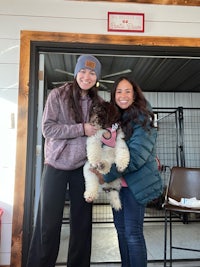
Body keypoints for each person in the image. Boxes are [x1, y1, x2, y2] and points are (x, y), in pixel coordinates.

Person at [26, 54, 103, 267]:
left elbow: (106, 132)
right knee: (48, 224)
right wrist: (81, 129)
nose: (86, 76)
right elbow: (47, 128)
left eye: (92, 73)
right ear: (76, 72)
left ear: (96, 78)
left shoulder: (98, 102)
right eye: (83, 71)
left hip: (83, 168)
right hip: (55, 165)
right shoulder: (58, 95)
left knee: (82, 225)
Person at [92, 76, 163, 267]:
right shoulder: (115, 119)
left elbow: (137, 157)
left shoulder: (144, 118)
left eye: (127, 91)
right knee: (122, 232)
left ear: (135, 95)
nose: (123, 96)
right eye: (119, 92)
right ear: (114, 95)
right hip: (117, 186)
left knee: (133, 234)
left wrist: (105, 174)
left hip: (135, 184)